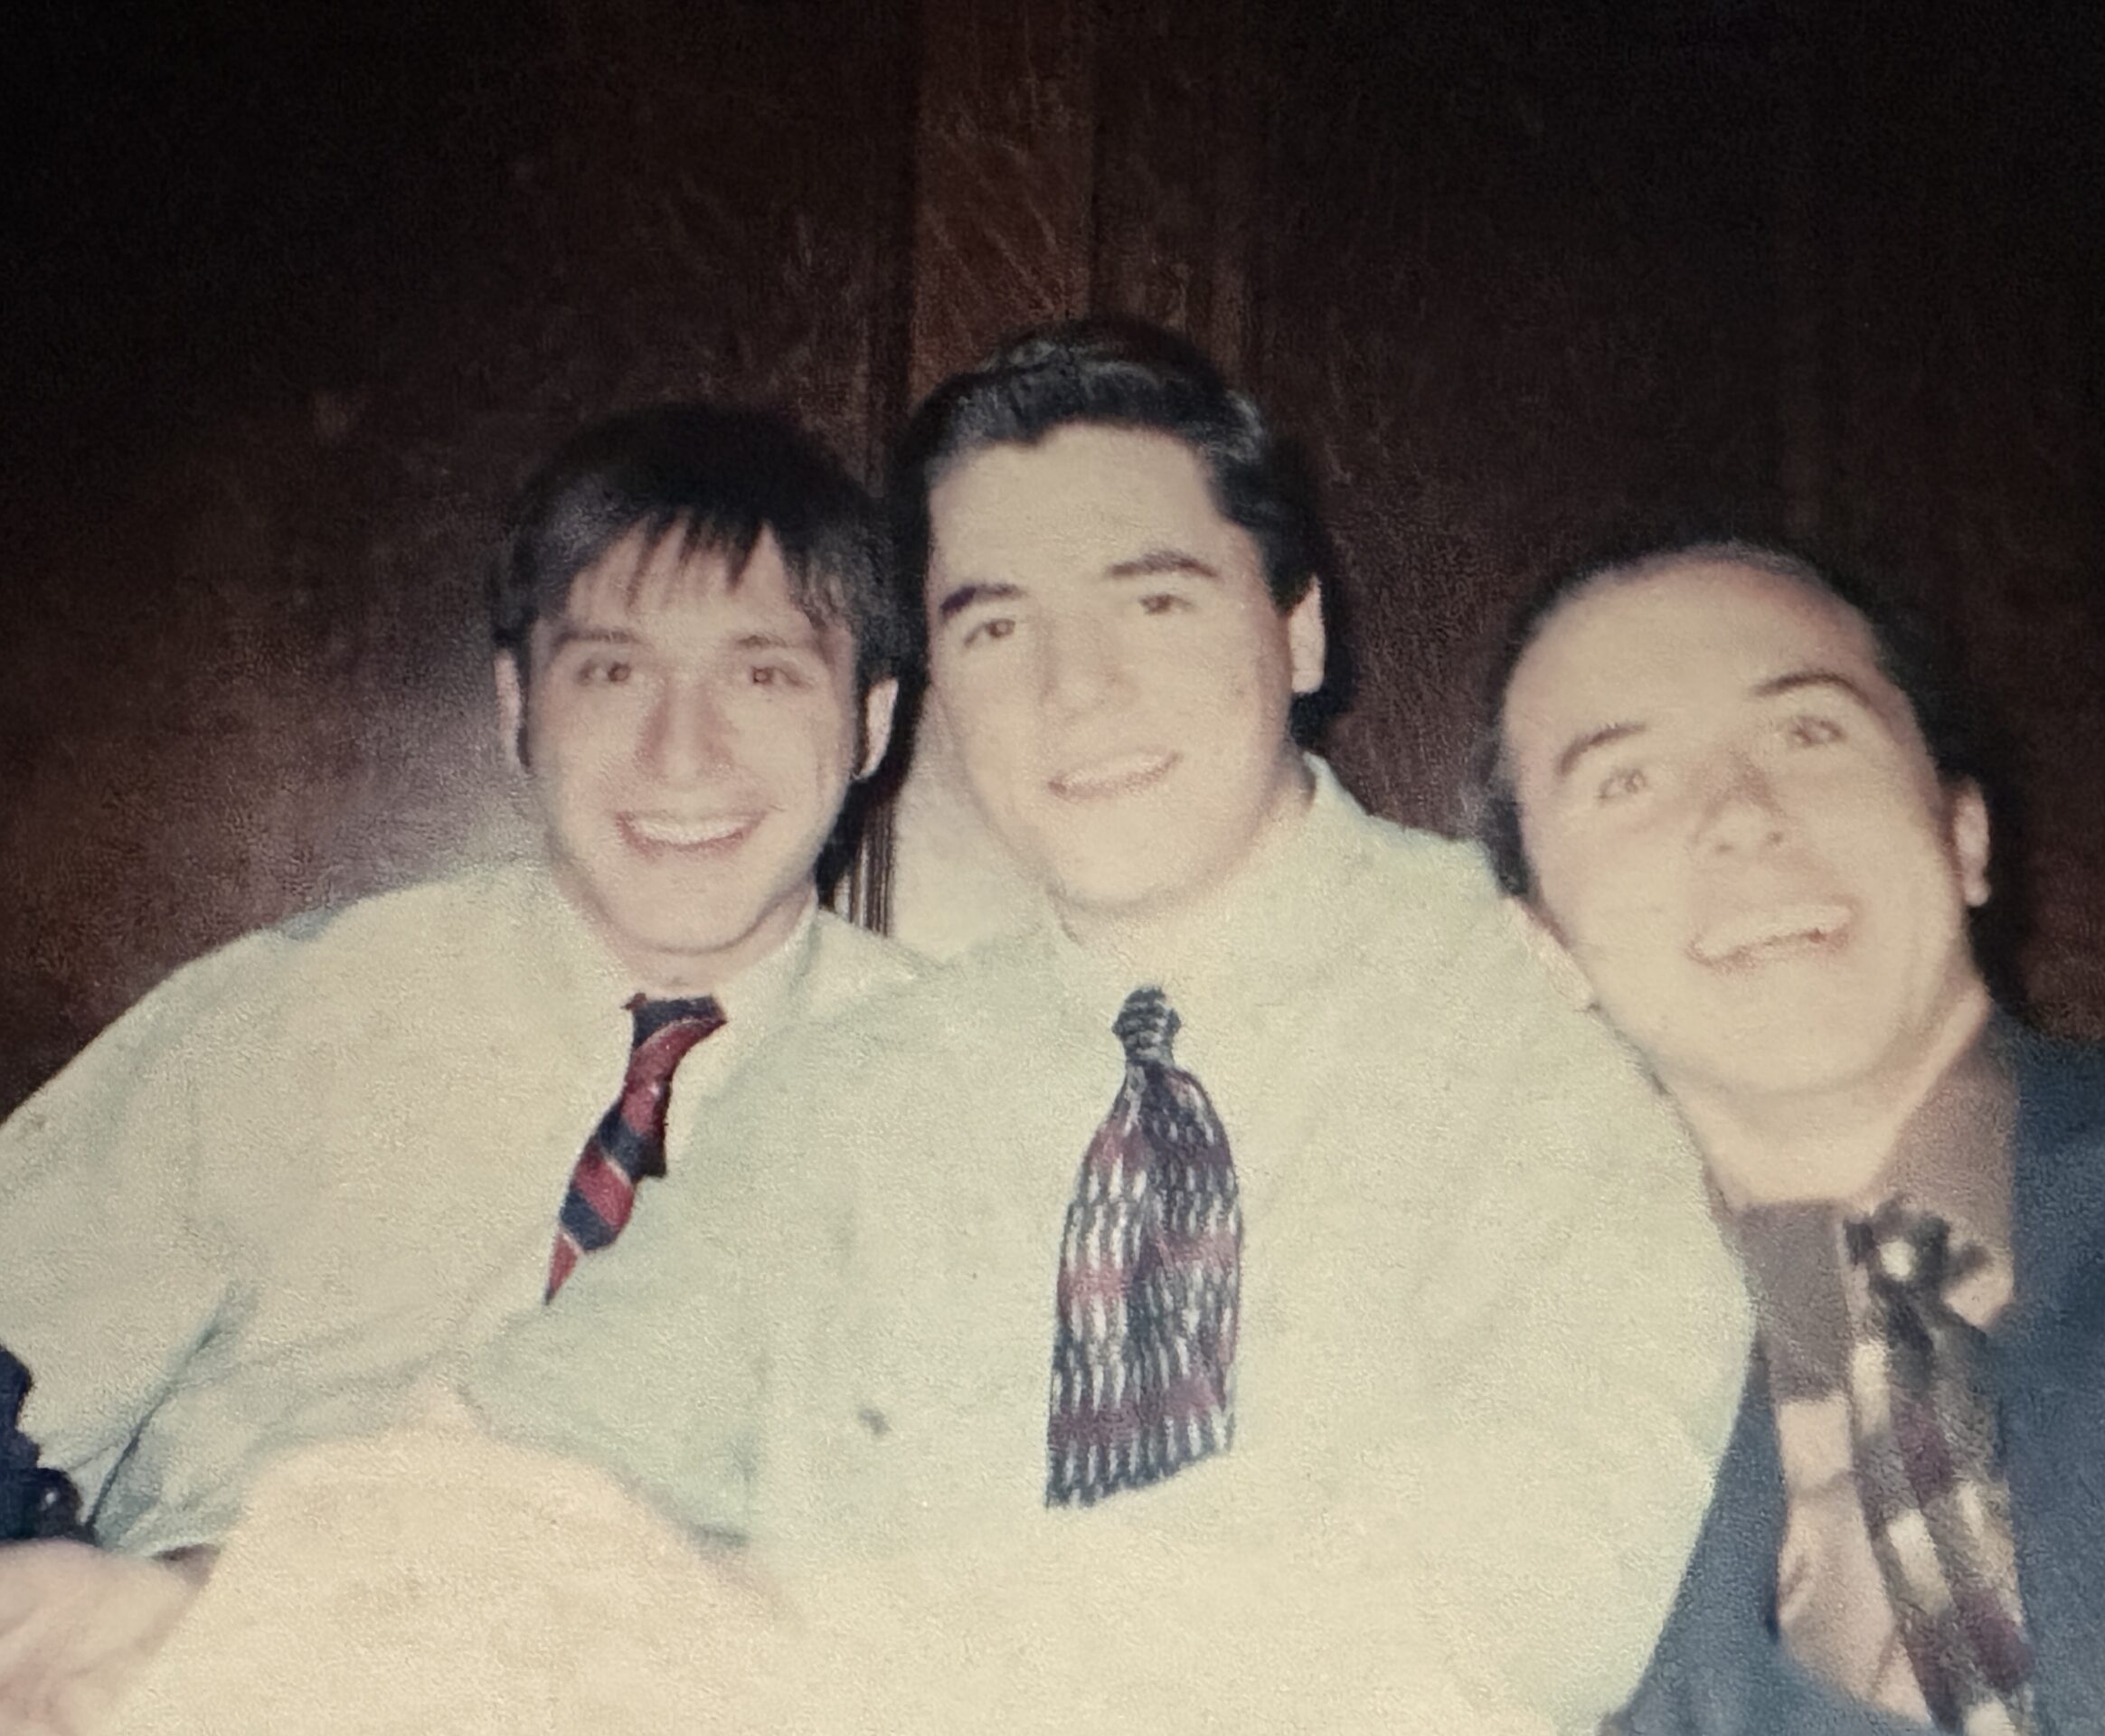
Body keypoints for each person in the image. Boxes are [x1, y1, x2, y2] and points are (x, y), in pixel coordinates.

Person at [467, 320, 1753, 1727]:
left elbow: (1497, 1604)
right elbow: (515, 1465)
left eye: (1154, 601)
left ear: (1299, 625)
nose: (1075, 689)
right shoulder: (846, 1101)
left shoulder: (1556, 1005)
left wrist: (779, 1629)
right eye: (997, 624)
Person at [0, 403, 912, 1720]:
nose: (684, 751)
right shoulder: (287, 1022)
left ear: (871, 721)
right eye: (613, 672)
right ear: (514, 705)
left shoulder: (972, 1089)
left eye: (763, 674)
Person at [1480, 538, 2105, 1733]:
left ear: (1963, 834)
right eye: (1627, 781)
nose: (1740, 816)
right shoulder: (1572, 1482)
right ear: (1548, 947)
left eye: (1807, 733)